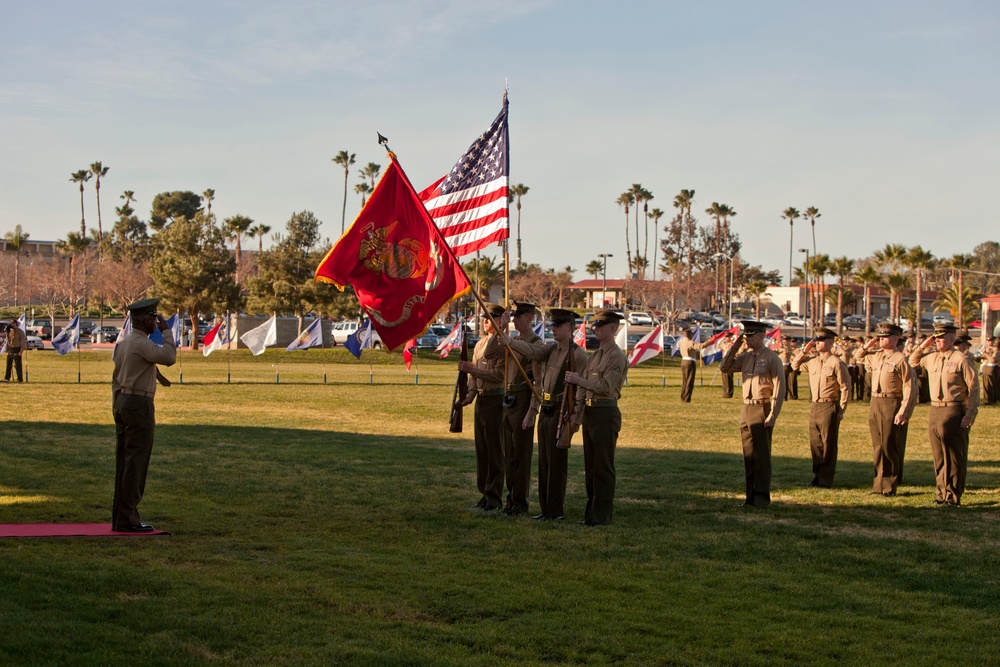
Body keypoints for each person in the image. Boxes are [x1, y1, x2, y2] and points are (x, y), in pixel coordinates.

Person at [499, 308, 589, 521]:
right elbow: (532, 352)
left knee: (557, 462)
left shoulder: (578, 355)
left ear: (570, 328)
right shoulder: (551, 350)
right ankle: (546, 508)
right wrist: (511, 342)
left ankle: (555, 510)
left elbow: (582, 390)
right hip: (547, 408)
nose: (554, 329)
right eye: (553, 326)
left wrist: (576, 417)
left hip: (562, 409)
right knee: (545, 462)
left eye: (558, 326)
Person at [111, 298, 176, 532]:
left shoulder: (125, 343)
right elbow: (169, 357)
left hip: (124, 401)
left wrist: (117, 404)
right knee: (136, 463)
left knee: (125, 462)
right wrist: (167, 332)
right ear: (146, 320)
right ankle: (128, 519)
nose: (156, 322)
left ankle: (120, 517)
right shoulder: (140, 343)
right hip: (139, 404)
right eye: (154, 318)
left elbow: (116, 378)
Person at [566, 310, 627, 525]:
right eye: (595, 326)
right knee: (591, 466)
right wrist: (577, 411)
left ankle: (601, 516)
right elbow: (584, 387)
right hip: (592, 412)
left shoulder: (615, 356)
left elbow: (605, 386)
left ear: (613, 328)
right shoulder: (597, 354)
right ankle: (591, 514)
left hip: (605, 412)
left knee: (603, 466)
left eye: (600, 326)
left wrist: (579, 382)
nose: (595, 329)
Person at [909, 323, 980, 505]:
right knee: (939, 455)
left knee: (955, 455)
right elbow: (913, 361)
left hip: (954, 409)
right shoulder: (931, 358)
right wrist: (925, 344)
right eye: (936, 338)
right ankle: (941, 492)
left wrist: (970, 414)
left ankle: (953, 494)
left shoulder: (961, 359)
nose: (938, 341)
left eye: (941, 338)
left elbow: (974, 388)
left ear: (951, 339)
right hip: (935, 409)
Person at [485, 301, 545, 516]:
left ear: (529, 318)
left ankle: (520, 502)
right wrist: (501, 327)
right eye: (514, 316)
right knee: (508, 454)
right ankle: (510, 501)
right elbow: (490, 354)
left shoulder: (536, 343)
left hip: (523, 398)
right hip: (507, 397)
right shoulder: (512, 339)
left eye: (518, 316)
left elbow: (538, 379)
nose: (515, 319)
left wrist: (532, 411)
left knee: (521, 455)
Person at [721, 321, 786, 507]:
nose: (747, 339)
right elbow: (725, 367)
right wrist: (736, 345)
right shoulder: (746, 357)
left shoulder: (772, 358)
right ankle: (750, 497)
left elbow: (779, 389)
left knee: (761, 457)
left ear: (761, 336)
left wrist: (772, 415)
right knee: (749, 456)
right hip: (746, 408)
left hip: (762, 408)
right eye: (745, 335)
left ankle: (761, 498)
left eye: (750, 336)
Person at [854, 323, 916, 496]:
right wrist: (868, 344)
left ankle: (889, 486)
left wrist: (904, 410)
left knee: (889, 445)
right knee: (878, 446)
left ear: (895, 339)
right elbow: (858, 355)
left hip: (891, 402)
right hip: (875, 402)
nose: (881, 340)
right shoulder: (877, 356)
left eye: (885, 337)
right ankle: (878, 485)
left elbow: (909, 386)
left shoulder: (900, 359)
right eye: (879, 337)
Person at [458, 303, 506, 511]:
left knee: (495, 451)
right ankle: (484, 495)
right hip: (482, 400)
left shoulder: (503, 344)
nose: (485, 321)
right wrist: (470, 394)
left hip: (496, 399)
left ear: (499, 320)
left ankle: (494, 498)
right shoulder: (479, 344)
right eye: (484, 318)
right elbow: (473, 375)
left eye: (490, 318)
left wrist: (473, 370)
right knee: (482, 452)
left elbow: (499, 375)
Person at [791, 328, 850, 488]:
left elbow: (845, 387)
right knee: (816, 443)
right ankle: (817, 476)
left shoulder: (836, 363)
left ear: (830, 343)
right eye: (816, 341)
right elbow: (794, 364)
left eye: (821, 340)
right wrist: (804, 350)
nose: (817, 343)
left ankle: (826, 479)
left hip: (829, 404)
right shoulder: (812, 361)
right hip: (815, 405)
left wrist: (841, 409)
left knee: (828, 443)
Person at [676, 328, 705, 402]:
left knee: (684, 381)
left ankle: (683, 397)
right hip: (690, 362)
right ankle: (687, 398)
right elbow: (699, 347)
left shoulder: (681, 342)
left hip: (683, 361)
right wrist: (709, 342)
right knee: (689, 381)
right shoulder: (690, 342)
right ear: (689, 335)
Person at [777, 336, 798, 400]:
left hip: (786, 365)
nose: (784, 341)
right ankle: (783, 395)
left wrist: (784, 347)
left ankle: (785, 396)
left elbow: (787, 353)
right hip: (780, 365)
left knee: (785, 381)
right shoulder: (780, 348)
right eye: (783, 340)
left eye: (786, 340)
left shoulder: (789, 348)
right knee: (782, 381)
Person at [981, 337, 998, 406]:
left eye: (991, 341)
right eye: (988, 341)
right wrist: (984, 353)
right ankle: (986, 399)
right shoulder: (985, 348)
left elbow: (992, 360)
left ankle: (991, 400)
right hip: (985, 366)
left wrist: (986, 354)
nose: (989, 342)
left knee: (991, 384)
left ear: (993, 341)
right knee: (985, 385)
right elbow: (980, 356)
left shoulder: (995, 349)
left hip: (991, 367)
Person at [719, 333, 735, 398]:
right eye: (725, 337)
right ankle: (725, 392)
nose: (726, 338)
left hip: (729, 362)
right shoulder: (724, 344)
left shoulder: (732, 345)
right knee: (724, 378)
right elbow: (719, 345)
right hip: (724, 361)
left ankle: (729, 393)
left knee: (728, 378)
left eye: (727, 337)